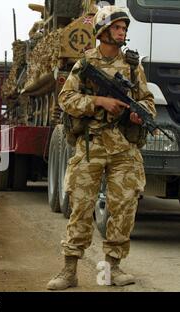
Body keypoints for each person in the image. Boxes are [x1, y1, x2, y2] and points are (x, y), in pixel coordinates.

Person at [47, 6, 156, 290]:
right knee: (81, 208)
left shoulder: (133, 66)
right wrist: (98, 102)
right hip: (91, 145)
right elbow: (66, 99)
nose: (122, 33)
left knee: (123, 208)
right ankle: (69, 271)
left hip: (124, 149)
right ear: (103, 32)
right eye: (118, 28)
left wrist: (137, 112)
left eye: (124, 29)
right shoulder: (84, 65)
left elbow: (147, 101)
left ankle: (112, 270)